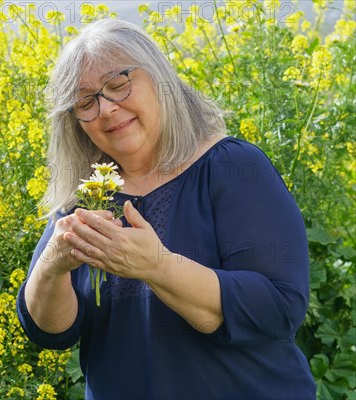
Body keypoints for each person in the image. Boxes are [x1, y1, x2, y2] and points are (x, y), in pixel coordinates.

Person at [16, 19, 316, 399]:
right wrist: (52, 266)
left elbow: (280, 306)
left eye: (118, 84)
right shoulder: (87, 197)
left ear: (160, 80)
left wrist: (156, 266)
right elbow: (51, 332)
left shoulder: (230, 167)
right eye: (86, 101)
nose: (106, 108)